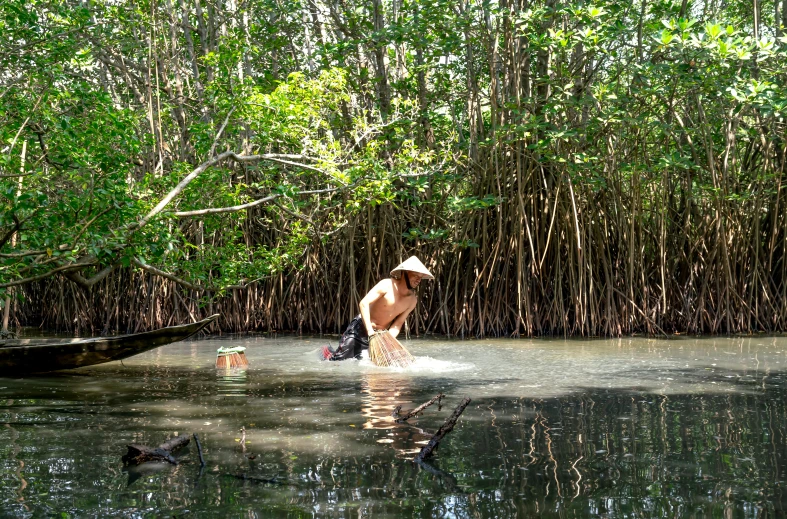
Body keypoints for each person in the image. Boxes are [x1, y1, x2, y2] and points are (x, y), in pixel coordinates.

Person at [322, 256, 434, 361]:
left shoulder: (412, 300)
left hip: (380, 335)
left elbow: (398, 324)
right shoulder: (386, 284)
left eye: (420, 277)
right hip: (360, 328)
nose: (419, 280)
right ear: (404, 273)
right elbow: (364, 303)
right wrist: (370, 331)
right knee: (339, 360)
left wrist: (388, 340)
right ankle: (327, 352)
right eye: (415, 275)